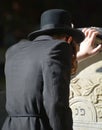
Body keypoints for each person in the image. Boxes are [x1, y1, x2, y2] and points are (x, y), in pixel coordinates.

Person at [2, 9, 102, 130]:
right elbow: (56, 104)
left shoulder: (15, 50)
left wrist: (79, 56)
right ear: (69, 39)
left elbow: (41, 67)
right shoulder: (59, 47)